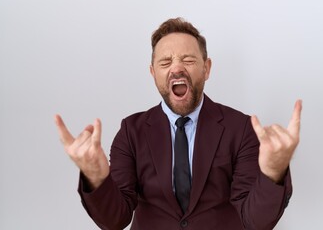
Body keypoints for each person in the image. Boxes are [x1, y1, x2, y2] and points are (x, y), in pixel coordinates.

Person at [55, 17, 302, 230]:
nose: (177, 68)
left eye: (188, 60)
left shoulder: (241, 129)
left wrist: (274, 171)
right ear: (153, 73)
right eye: (165, 62)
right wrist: (96, 178)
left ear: (206, 69)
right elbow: (116, 219)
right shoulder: (131, 132)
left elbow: (254, 220)